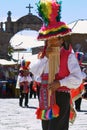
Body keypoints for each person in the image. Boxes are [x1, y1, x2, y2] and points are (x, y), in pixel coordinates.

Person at [30, 0, 83, 130]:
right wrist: (45, 58)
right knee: (47, 127)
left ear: (61, 40)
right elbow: (34, 72)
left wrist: (60, 83)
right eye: (49, 39)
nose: (51, 41)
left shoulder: (68, 56)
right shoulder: (42, 56)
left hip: (60, 97)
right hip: (44, 97)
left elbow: (77, 79)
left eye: (55, 38)